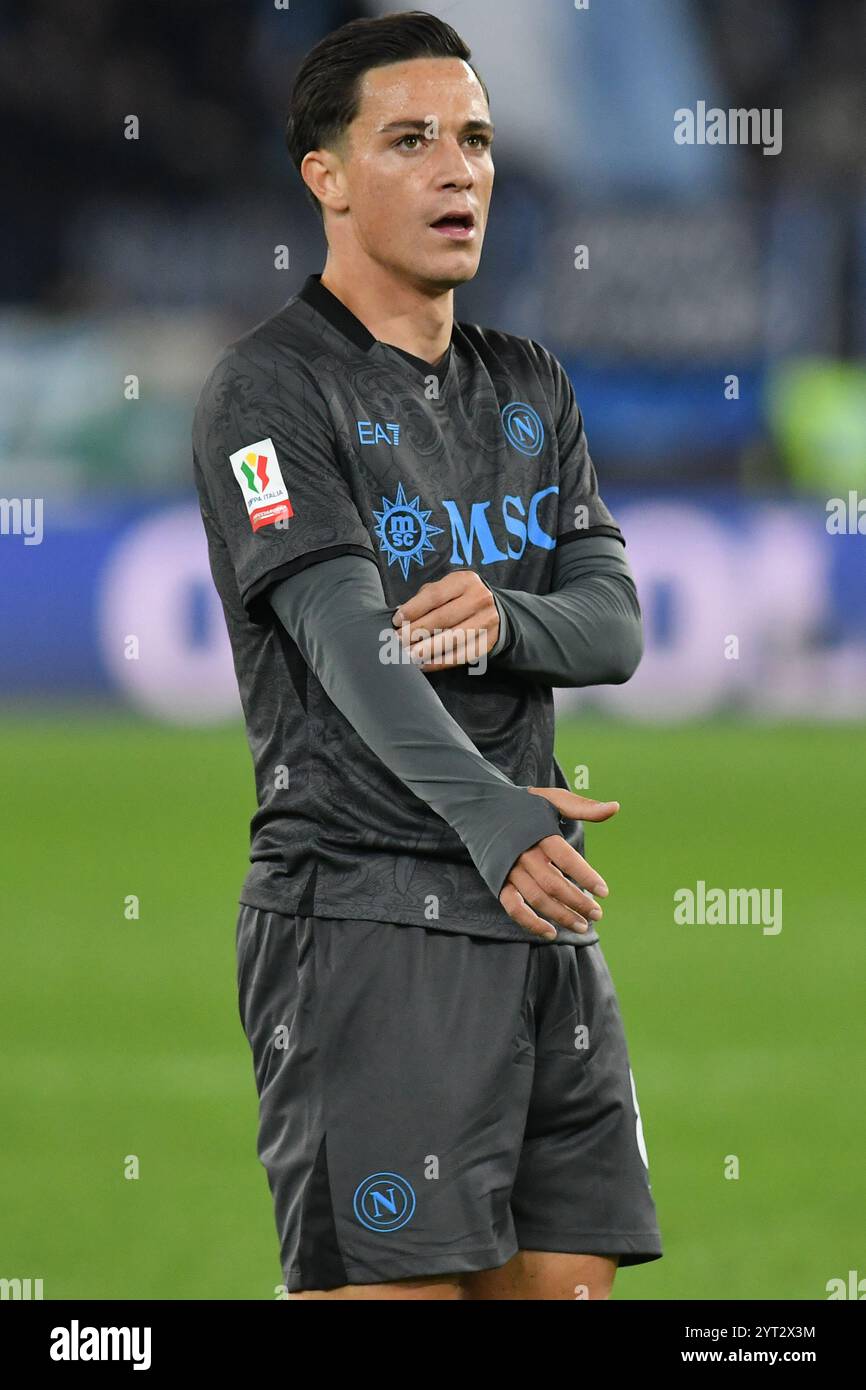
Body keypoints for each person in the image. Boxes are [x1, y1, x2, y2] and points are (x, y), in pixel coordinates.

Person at [192, 9, 662, 1300]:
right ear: (325, 177)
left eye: (475, 140)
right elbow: (348, 644)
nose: (458, 170)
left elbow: (614, 624)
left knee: (564, 1284)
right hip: (363, 913)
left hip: (533, 917)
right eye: (409, 140)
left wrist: (510, 619)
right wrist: (492, 815)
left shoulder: (531, 383)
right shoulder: (270, 392)